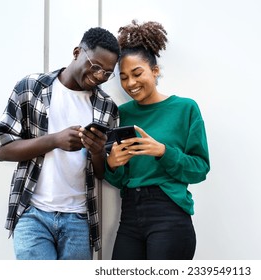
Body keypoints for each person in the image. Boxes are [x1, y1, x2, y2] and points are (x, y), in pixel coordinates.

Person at [0, 27, 120, 260]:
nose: (99, 76)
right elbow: (2, 149)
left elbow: (101, 173)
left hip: (79, 219)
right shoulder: (31, 88)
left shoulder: (106, 107)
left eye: (107, 73)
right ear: (77, 53)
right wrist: (54, 140)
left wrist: (98, 151)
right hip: (32, 214)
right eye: (95, 66)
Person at [104, 20, 210, 260]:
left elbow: (200, 169)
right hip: (129, 214)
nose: (130, 83)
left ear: (155, 70)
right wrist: (113, 165)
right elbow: (121, 179)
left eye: (137, 73)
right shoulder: (123, 114)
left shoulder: (185, 108)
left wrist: (163, 151)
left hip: (169, 213)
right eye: (123, 77)